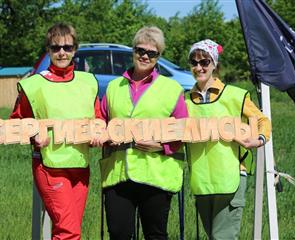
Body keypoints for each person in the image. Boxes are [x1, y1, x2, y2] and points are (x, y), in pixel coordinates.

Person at [94, 26, 188, 240]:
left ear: (158, 57)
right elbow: (101, 119)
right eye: (140, 50)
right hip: (118, 174)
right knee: (118, 234)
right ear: (133, 51)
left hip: (156, 174)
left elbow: (183, 131)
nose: (145, 56)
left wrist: (162, 146)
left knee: (155, 235)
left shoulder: (172, 89)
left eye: (151, 53)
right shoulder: (113, 87)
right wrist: (99, 132)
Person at [10, 23, 101, 240]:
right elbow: (15, 123)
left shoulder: (88, 82)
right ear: (48, 50)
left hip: (80, 166)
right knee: (68, 231)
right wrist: (32, 135)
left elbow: (98, 119)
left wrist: (98, 134)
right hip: (50, 166)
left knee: (67, 230)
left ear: (75, 49)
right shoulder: (33, 85)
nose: (62, 52)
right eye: (56, 47)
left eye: (67, 47)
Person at [184, 39, 272, 239]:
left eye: (204, 62)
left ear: (214, 64)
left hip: (230, 178)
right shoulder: (185, 100)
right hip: (201, 181)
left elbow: (262, 121)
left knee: (223, 237)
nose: (199, 67)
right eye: (194, 62)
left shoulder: (235, 95)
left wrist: (257, 140)